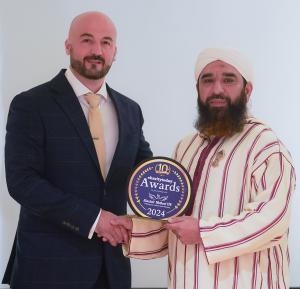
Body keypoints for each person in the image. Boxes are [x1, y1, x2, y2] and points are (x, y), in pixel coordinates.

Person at [114, 48, 296, 289]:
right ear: (197, 89)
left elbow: (273, 221)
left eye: (228, 79)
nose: (217, 89)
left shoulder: (266, 146)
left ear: (247, 90)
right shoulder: (185, 147)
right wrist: (133, 231)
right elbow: (175, 225)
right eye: (207, 80)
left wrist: (203, 232)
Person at [2, 11, 152, 289]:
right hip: (47, 269)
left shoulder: (131, 110)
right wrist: (95, 220)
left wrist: (172, 198)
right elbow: (22, 182)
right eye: (87, 40)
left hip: (112, 269)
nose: (97, 50)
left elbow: (143, 173)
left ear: (115, 51)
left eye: (106, 42)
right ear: (68, 46)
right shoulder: (31, 105)